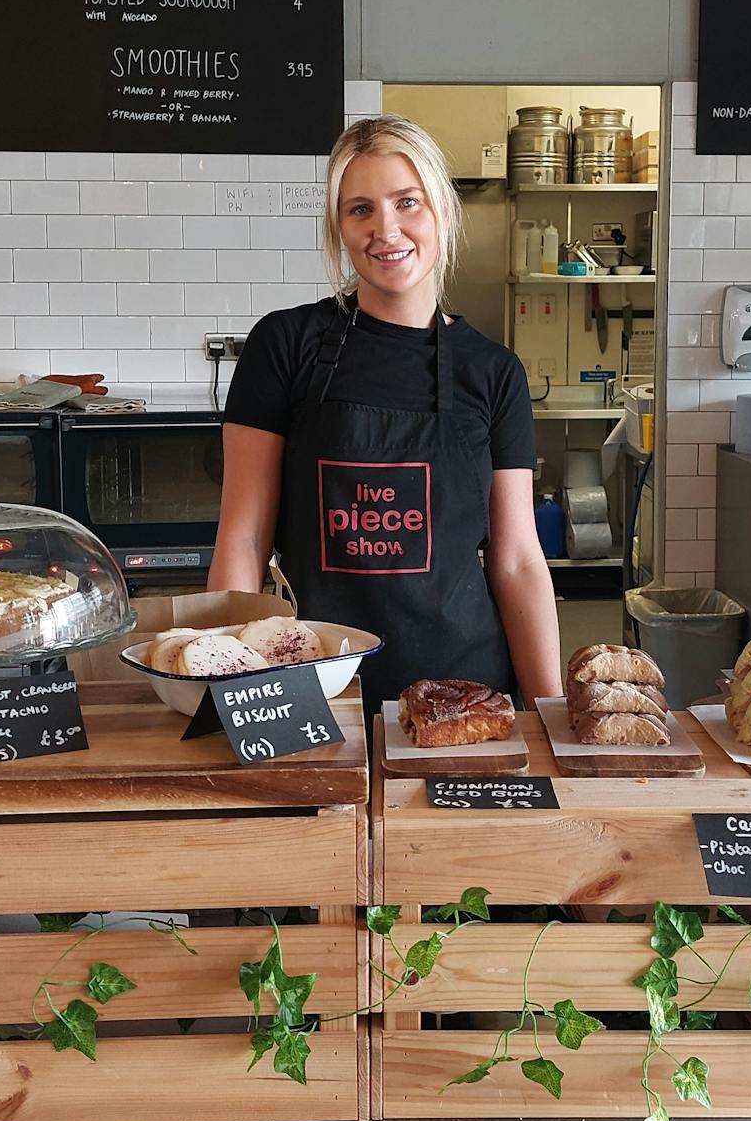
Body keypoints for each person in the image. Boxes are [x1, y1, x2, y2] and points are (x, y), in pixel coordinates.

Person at [208, 113, 561, 708]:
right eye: (360, 209)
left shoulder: (494, 372)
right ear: (340, 228)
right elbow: (243, 539)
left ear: (442, 210)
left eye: (407, 202)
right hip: (316, 688)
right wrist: (230, 693)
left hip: (464, 695)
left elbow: (519, 560)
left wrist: (548, 709)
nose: (386, 230)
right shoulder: (285, 345)